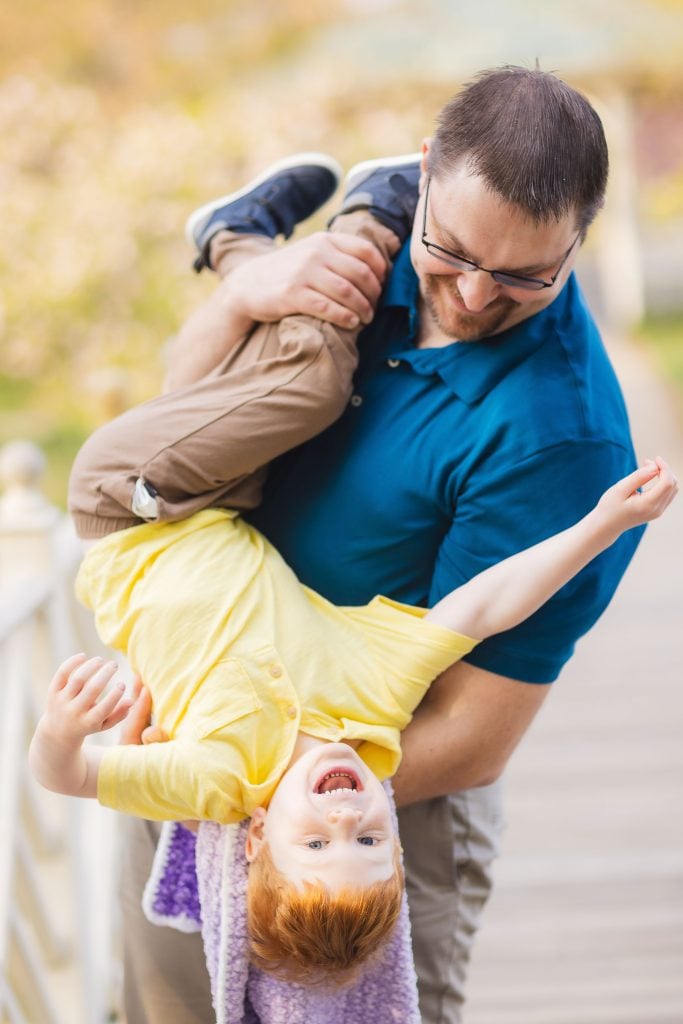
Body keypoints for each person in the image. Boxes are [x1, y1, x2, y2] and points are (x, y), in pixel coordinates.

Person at [28, 148, 676, 973]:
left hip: (129, 509)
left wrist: (61, 729)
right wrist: (599, 526)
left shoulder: (220, 777)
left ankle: (269, 227)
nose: (345, 818)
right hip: (221, 508)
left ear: (255, 829)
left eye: (318, 839)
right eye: (368, 837)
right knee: (300, 379)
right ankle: (257, 238)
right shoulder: (368, 704)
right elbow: (479, 605)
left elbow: (70, 777)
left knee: (307, 382)